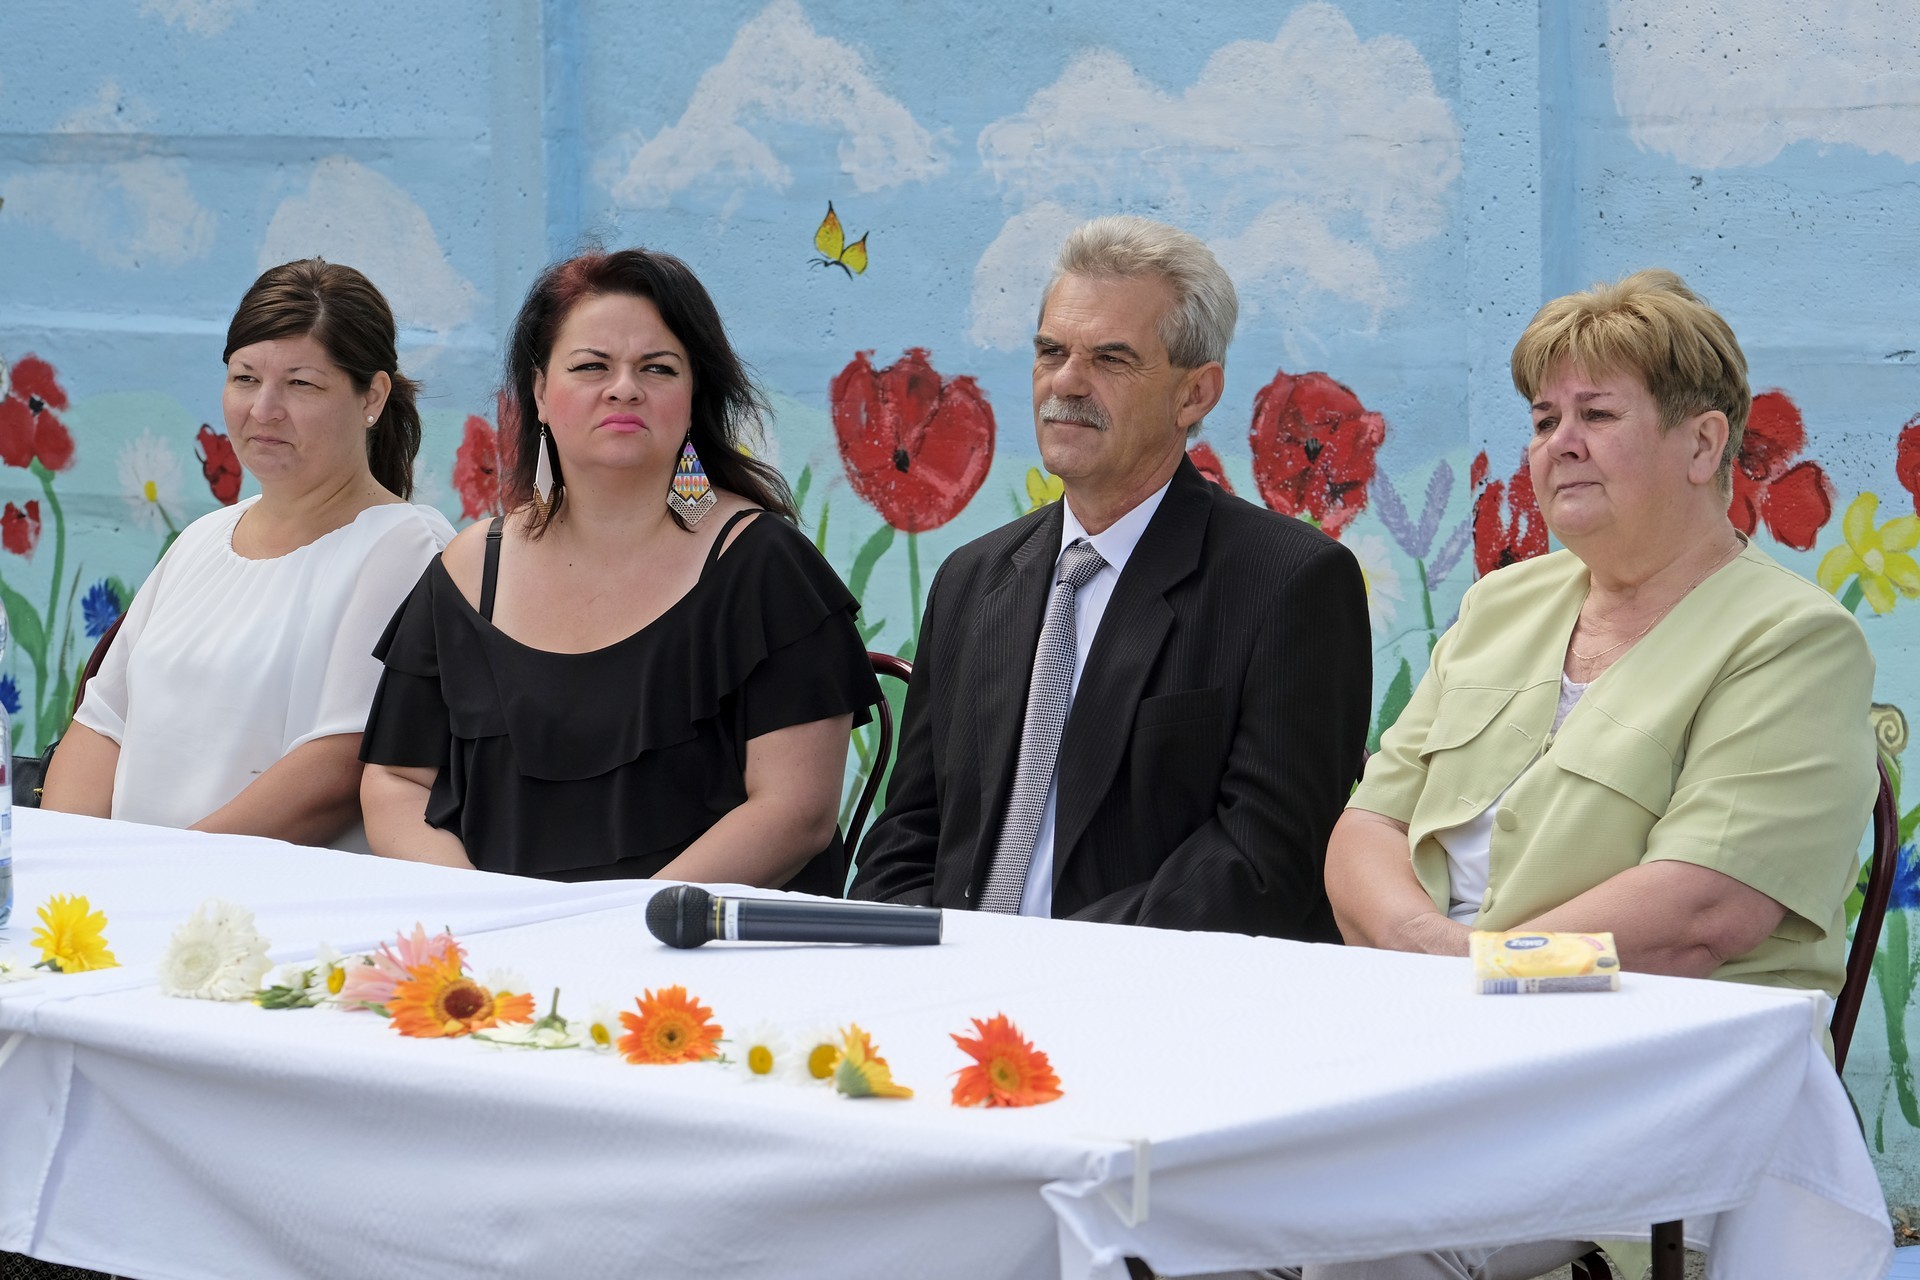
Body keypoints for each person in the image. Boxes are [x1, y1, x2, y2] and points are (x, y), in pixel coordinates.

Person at [1305, 269, 1875, 1280]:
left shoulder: (1793, 640)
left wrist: (1486, 971)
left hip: (1646, 1076)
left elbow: (1703, 913)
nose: (1559, 442)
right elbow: (1368, 825)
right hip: (1430, 1040)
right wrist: (1429, 954)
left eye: (1597, 414)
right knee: (1166, 1181)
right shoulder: (1503, 604)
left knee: (1353, 1229)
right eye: (1543, 418)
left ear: (1703, 444)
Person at [850, 216, 1369, 935]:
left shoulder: (1291, 583)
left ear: (1195, 394)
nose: (1066, 381)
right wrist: (912, 950)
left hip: (1145, 987)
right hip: (956, 979)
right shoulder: (972, 580)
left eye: (1111, 359)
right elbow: (909, 831)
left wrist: (1047, 961)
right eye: (1051, 351)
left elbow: (1262, 858)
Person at [358, 248, 878, 892]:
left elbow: (795, 812)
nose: (624, 387)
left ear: (693, 395)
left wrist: (624, 926)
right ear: (540, 393)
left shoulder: (763, 566)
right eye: (591, 366)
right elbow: (396, 780)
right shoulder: (469, 571)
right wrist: (475, 907)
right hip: (499, 940)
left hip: (697, 942)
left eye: (658, 368)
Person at [42, 260, 454, 851]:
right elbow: (101, 725)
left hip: (263, 900)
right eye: (245, 378)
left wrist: (166, 868)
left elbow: (340, 762)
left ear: (373, 395)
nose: (264, 409)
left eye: (301, 383)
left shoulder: (404, 546)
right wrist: (74, 859)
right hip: (130, 891)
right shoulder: (203, 539)